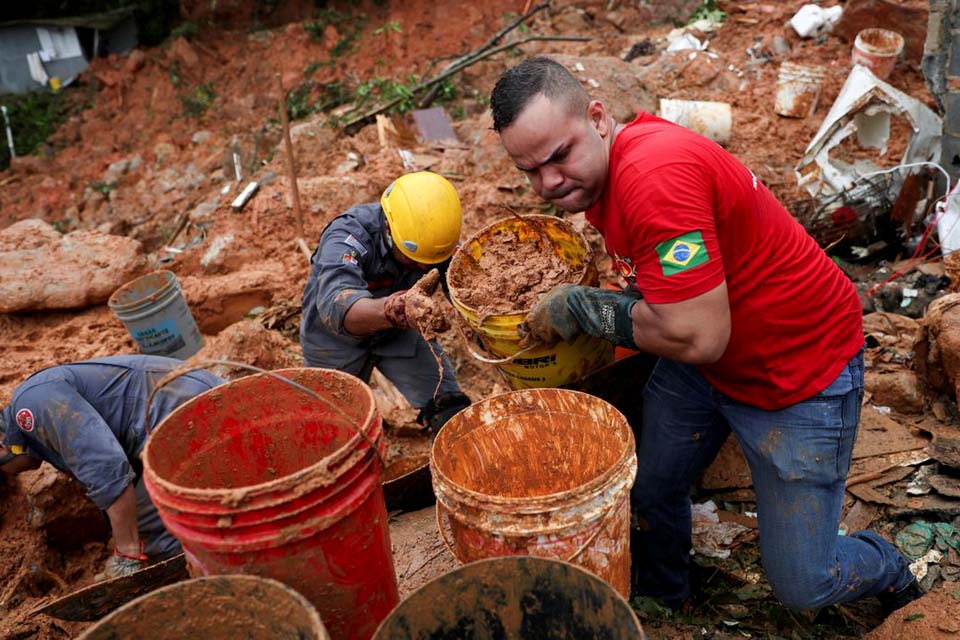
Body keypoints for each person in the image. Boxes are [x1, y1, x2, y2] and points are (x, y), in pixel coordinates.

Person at [489, 57, 921, 615]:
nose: (547, 183)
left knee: (804, 586)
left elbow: (697, 336)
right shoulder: (607, 174)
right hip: (711, 355)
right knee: (649, 483)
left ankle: (886, 566)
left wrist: (585, 307)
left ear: (597, 118)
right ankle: (667, 594)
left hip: (798, 370)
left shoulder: (653, 179)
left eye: (559, 156)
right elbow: (683, 316)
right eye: (529, 170)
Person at [0, 355, 223, 579]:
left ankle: (205, 586)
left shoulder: (30, 405)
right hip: (180, 407)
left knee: (150, 528)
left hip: (186, 408)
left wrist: (127, 553)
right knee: (141, 517)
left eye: (8, 472)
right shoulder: (33, 420)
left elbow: (108, 471)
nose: (18, 474)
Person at [300, 171, 471, 434]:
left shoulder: (435, 241)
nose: (424, 266)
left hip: (398, 335)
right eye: (414, 260)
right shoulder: (348, 236)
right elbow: (338, 304)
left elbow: (467, 293)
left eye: (430, 260)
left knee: (448, 406)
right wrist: (395, 309)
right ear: (390, 231)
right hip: (333, 342)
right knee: (335, 426)